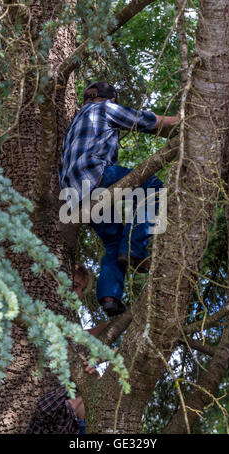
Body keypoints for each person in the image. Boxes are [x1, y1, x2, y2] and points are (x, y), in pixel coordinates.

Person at [59, 81, 179, 317]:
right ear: (111, 99)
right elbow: (148, 122)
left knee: (113, 241)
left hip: (73, 195)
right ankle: (135, 248)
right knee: (153, 187)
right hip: (95, 175)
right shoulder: (105, 108)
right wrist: (187, 120)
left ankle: (110, 297)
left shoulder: (74, 121)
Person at [25, 265, 108, 434]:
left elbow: (77, 337)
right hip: (57, 412)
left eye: (82, 289)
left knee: (97, 381)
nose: (78, 295)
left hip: (72, 417)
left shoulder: (69, 318)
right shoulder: (45, 311)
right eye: (75, 286)